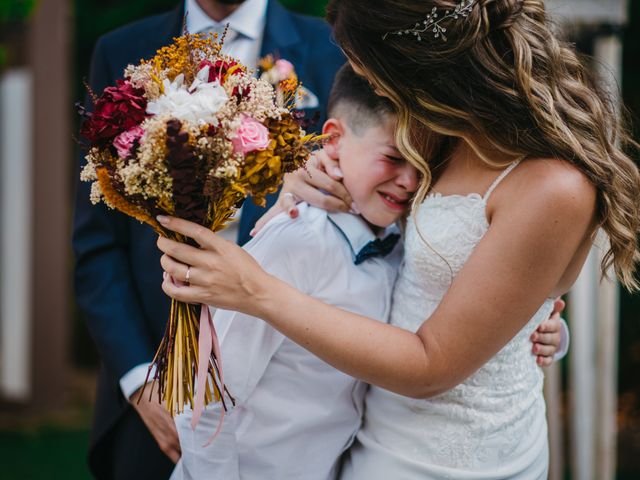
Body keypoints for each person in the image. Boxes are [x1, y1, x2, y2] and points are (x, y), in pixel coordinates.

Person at [156, 0, 640, 478]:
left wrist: (255, 290)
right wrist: (311, 173)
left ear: (409, 68)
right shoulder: (445, 138)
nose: (368, 84)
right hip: (371, 433)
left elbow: (436, 361)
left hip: (461, 458)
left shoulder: (552, 185)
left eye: (371, 72)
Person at [72, 1, 344, 479]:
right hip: (158, 378)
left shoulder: (330, 47)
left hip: (291, 387)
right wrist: (139, 379)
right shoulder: (121, 50)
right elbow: (99, 244)